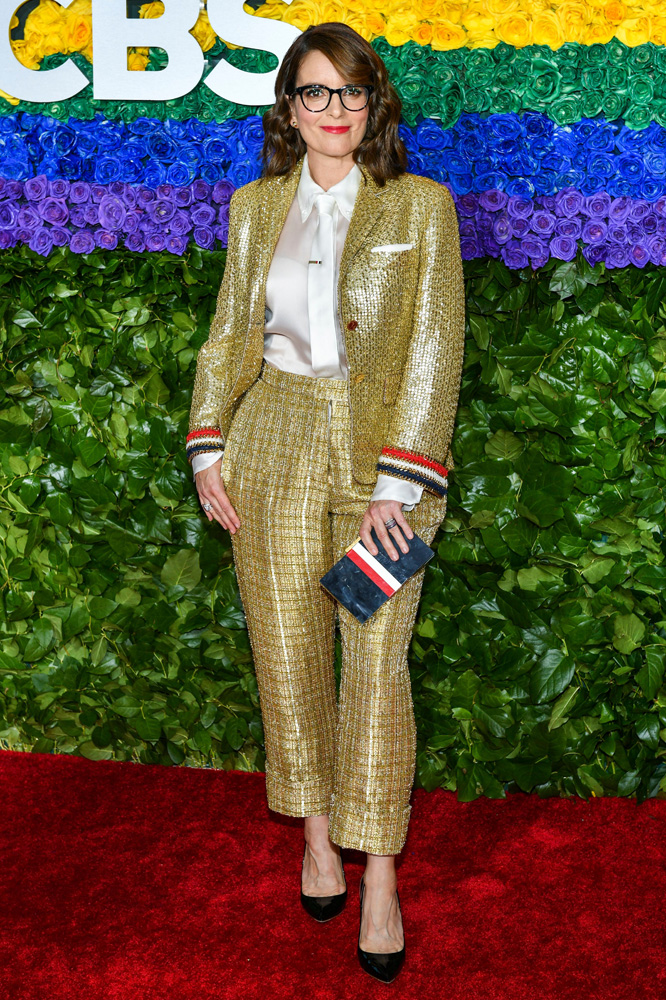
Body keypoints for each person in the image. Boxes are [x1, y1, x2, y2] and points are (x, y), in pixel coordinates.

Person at [186, 21, 464, 984]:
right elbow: (229, 334)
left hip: (383, 467)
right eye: (315, 93)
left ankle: (379, 871)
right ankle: (314, 837)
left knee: (377, 666)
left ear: (372, 104)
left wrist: (403, 479)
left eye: (350, 94)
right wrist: (209, 445)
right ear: (290, 107)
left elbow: (436, 347)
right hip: (270, 445)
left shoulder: (421, 207)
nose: (334, 111)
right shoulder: (254, 207)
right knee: (287, 650)